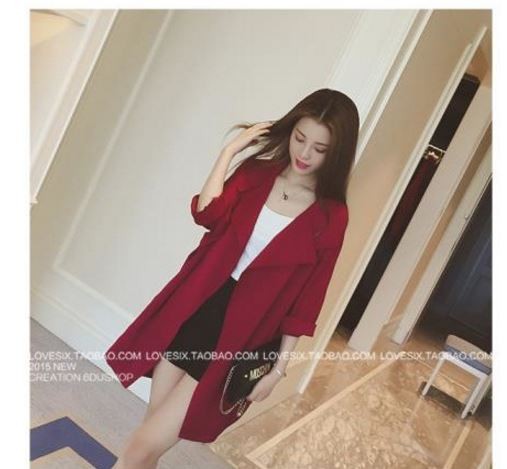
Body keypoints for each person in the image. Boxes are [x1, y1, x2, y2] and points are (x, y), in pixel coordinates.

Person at [110, 88, 358, 468]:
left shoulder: (331, 217)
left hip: (243, 334)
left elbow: (307, 302)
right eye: (300, 138)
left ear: (336, 153)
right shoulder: (256, 173)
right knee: (149, 442)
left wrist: (278, 369)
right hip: (194, 310)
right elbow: (206, 214)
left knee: (139, 447)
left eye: (319, 148)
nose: (305, 154)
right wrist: (229, 152)